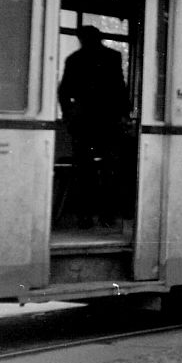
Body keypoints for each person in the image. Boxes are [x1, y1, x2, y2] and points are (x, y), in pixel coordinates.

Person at [57, 25, 128, 228]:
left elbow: (64, 92)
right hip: (107, 121)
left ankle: (86, 217)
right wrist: (124, 115)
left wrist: (69, 116)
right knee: (109, 170)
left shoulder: (74, 60)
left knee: (85, 171)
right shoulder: (112, 57)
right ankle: (106, 216)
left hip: (85, 122)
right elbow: (120, 89)